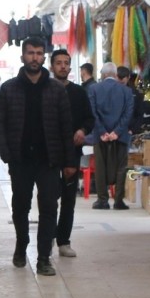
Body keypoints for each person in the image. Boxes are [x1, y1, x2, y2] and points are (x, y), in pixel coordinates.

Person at [0, 36, 77, 276]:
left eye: (39, 53)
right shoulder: (9, 89)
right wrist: (6, 154)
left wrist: (69, 161)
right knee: (20, 206)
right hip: (20, 160)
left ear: (45, 58)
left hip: (49, 160)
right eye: (31, 53)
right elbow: (0, 124)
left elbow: (65, 126)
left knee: (49, 207)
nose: (35, 58)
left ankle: (43, 258)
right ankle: (21, 244)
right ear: (23, 56)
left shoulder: (55, 90)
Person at [49, 49, 94, 258]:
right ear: (52, 66)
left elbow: (89, 119)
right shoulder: (45, 90)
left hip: (72, 152)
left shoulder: (78, 92)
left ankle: (64, 241)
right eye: (59, 63)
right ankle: (47, 236)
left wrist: (82, 131)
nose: (63, 66)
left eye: (66, 63)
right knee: (49, 197)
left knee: (69, 198)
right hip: (48, 153)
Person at [87, 62, 134, 210]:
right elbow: (128, 114)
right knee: (121, 167)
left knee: (100, 167)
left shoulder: (93, 89)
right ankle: (118, 200)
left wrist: (102, 132)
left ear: (103, 75)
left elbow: (92, 112)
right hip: (120, 136)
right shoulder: (126, 91)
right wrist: (117, 132)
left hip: (100, 136)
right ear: (115, 75)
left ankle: (102, 200)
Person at [118, 67, 145, 136]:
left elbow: (140, 114)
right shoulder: (112, 92)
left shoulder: (135, 94)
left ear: (128, 78)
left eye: (123, 83)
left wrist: (133, 130)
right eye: (119, 82)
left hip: (130, 130)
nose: (121, 85)